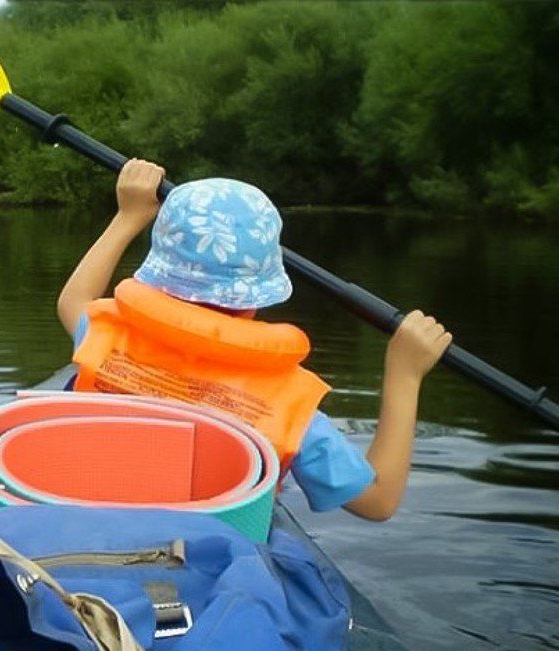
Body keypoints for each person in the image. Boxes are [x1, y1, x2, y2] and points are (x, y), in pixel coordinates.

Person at [57, 159, 453, 521]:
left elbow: (73, 301)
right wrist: (405, 375)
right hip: (210, 555)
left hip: (89, 521)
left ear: (158, 272)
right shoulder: (289, 404)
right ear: (259, 296)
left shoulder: (107, 335)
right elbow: (377, 501)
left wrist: (128, 217)